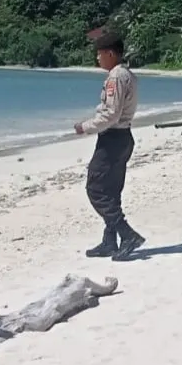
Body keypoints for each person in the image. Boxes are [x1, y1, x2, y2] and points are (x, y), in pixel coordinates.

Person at [74, 29, 145, 261]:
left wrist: (85, 127)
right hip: (123, 137)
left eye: (100, 53)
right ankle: (110, 240)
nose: (97, 58)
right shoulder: (128, 75)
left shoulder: (116, 77)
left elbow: (111, 114)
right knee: (112, 191)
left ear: (111, 54)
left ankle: (127, 234)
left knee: (95, 188)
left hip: (113, 139)